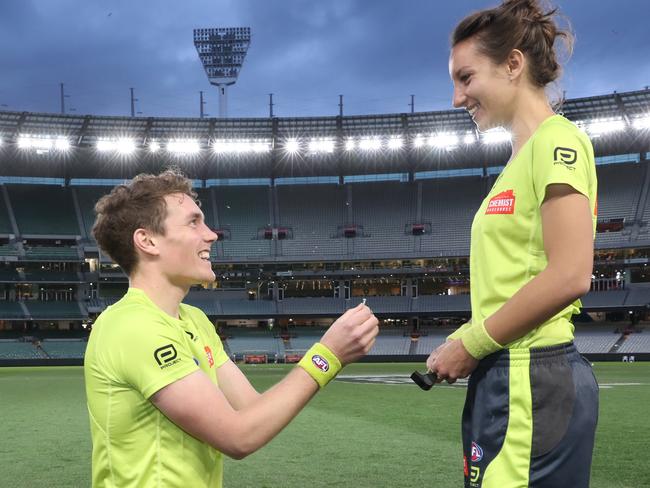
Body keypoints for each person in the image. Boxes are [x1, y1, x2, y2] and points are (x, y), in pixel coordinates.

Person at [84, 170, 379, 487]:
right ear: (147, 240)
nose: (211, 235)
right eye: (194, 222)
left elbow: (252, 410)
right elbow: (238, 436)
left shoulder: (194, 320)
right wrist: (327, 356)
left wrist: (330, 353)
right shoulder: (133, 325)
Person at [426, 1, 599, 487]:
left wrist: (473, 344)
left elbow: (569, 274)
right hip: (511, 372)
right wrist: (465, 340)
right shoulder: (520, 158)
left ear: (513, 64)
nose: (457, 98)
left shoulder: (556, 142)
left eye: (466, 78)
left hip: (531, 375)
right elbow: (516, 278)